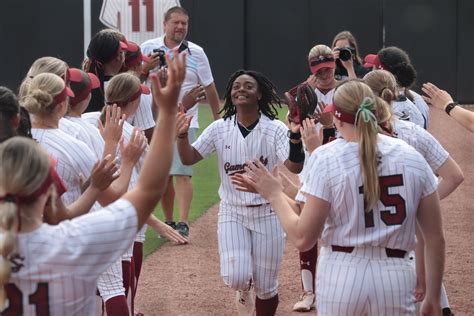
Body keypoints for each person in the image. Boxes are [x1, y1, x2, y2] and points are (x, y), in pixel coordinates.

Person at [0, 51, 185, 314]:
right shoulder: (77, 241)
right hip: (82, 225)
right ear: (50, 192)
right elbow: (146, 190)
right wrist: (166, 114)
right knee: (112, 289)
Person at [243, 80, 445, 316]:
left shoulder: (326, 157)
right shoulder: (411, 157)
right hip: (396, 275)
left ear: (338, 119)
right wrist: (432, 296)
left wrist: (274, 193)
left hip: (342, 274)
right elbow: (435, 238)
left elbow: (302, 238)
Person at [176, 69, 303, 315]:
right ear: (230, 95)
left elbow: (294, 165)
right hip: (232, 211)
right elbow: (188, 157)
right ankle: (243, 289)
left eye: (248, 86)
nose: (241, 89)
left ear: (259, 95)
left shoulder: (275, 128)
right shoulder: (219, 128)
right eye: (236, 86)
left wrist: (295, 138)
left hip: (268, 211)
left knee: (266, 287)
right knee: (236, 277)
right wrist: (181, 136)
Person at [141, 6, 221, 237]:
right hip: (156, 119)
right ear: (165, 25)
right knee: (164, 173)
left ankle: (184, 221)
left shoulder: (196, 52)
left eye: (184, 23)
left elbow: (209, 86)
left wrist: (218, 119)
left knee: (183, 171)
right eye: (175, 22)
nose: (180, 27)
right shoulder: (149, 49)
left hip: (187, 118)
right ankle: (168, 220)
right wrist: (145, 68)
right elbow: (138, 80)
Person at [363, 46, 427, 128]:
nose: (371, 71)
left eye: (374, 68)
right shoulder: (419, 100)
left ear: (382, 75)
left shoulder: (373, 105)